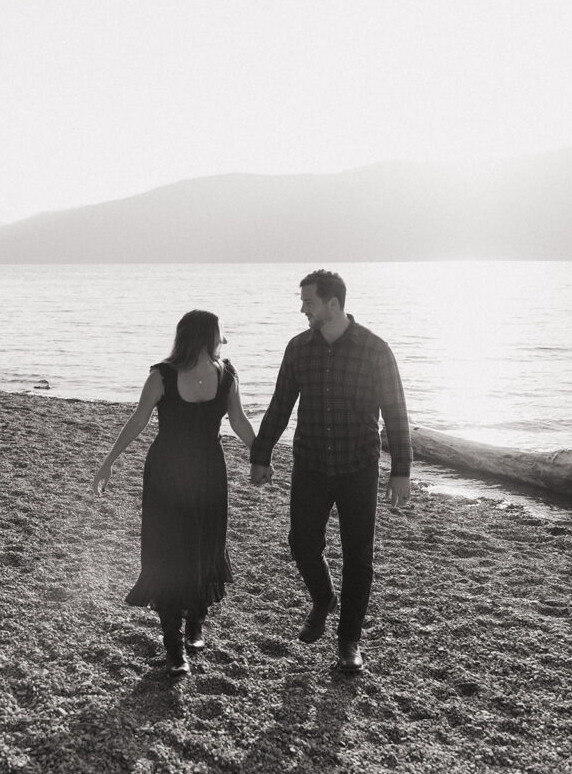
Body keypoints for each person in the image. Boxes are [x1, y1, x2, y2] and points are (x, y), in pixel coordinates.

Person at [249, 270, 412, 673]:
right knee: (302, 544)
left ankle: (349, 642)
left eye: (309, 301)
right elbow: (281, 404)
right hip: (311, 464)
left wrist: (401, 471)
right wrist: (261, 453)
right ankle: (323, 599)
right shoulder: (298, 348)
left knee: (359, 558)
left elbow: (395, 412)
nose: (302, 308)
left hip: (359, 465)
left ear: (333, 304)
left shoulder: (375, 349)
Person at [93, 310, 257, 677]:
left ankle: (196, 620)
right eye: (220, 332)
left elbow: (239, 420)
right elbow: (137, 420)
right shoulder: (162, 375)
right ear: (204, 336)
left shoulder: (227, 375)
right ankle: (173, 647)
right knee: (168, 549)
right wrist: (108, 462)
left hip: (209, 474)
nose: (224, 339)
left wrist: (261, 457)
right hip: (167, 473)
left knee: (205, 544)